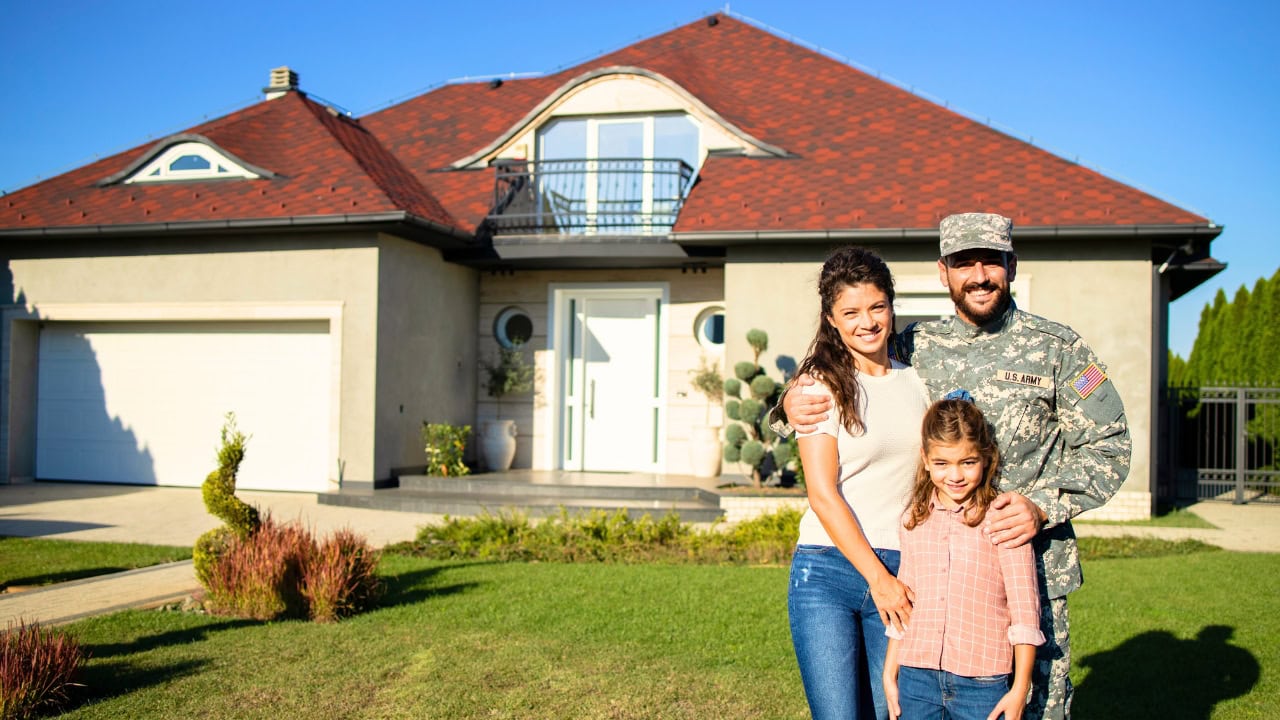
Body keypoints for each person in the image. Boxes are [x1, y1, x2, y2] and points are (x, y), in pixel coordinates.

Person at [779, 213, 1131, 719]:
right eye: (965, 263)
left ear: (1012, 265)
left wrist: (1041, 507)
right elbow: (844, 369)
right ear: (944, 273)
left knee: (1036, 704)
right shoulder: (916, 346)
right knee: (921, 701)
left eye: (992, 261)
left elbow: (1111, 445)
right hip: (937, 570)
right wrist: (786, 407)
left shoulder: (1058, 349)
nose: (980, 274)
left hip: (1029, 563)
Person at [786, 246, 930, 720]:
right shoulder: (818, 385)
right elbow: (822, 495)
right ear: (831, 318)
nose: (866, 322)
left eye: (877, 307)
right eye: (850, 312)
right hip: (828, 571)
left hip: (903, 570)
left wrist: (895, 580)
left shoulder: (920, 383)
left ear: (891, 306)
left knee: (896, 710)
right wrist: (877, 579)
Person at [883, 397, 1045, 720]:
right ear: (925, 460)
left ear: (985, 458)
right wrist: (891, 672)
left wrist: (1020, 689)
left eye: (967, 462)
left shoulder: (1003, 519)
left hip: (982, 685)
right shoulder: (913, 520)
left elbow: (1025, 612)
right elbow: (905, 605)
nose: (955, 475)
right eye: (942, 463)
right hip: (917, 679)